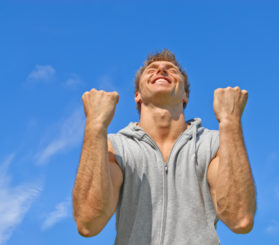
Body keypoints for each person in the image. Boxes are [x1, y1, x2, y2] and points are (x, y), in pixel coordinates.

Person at [72, 49, 256, 245]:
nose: (161, 69)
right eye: (151, 69)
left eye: (171, 69)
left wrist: (230, 121)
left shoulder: (213, 143)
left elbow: (240, 218)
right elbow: (88, 222)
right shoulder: (116, 147)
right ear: (137, 95)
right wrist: (95, 125)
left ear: (185, 95)